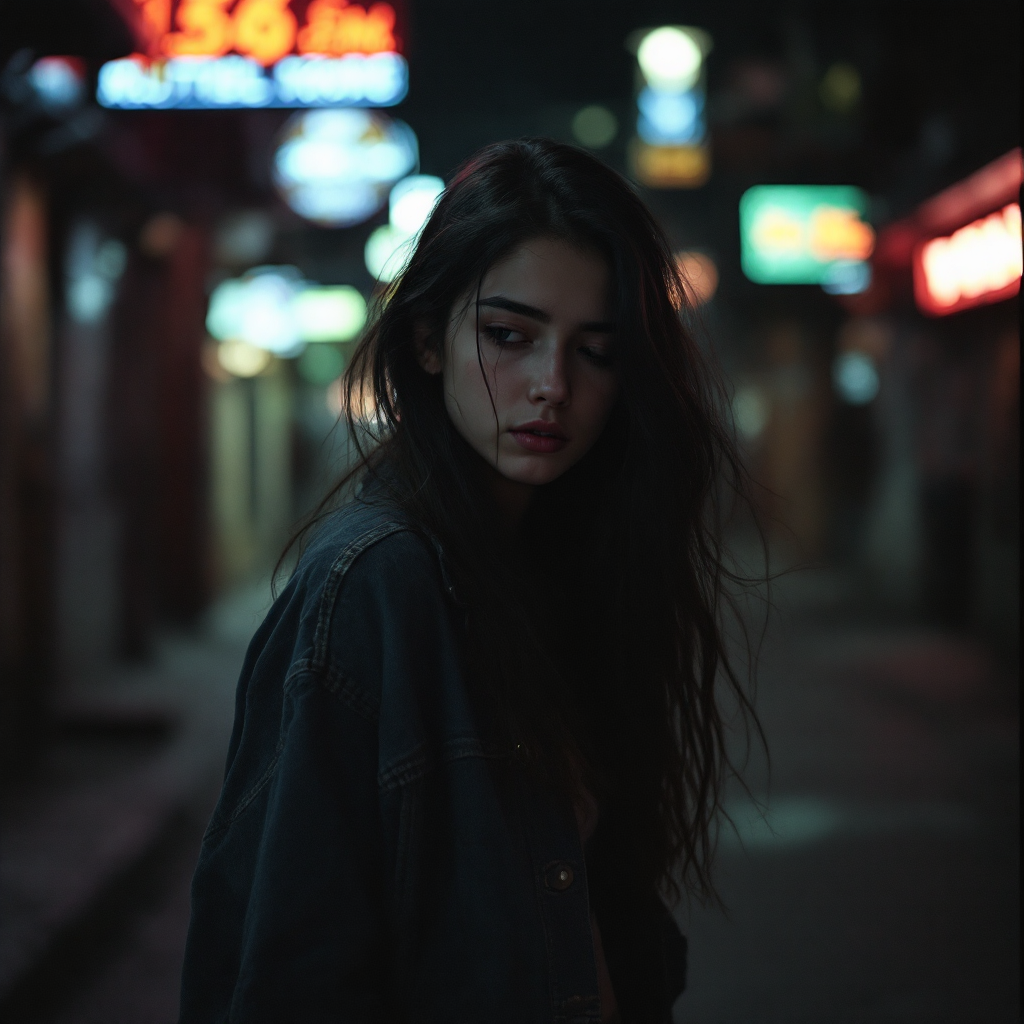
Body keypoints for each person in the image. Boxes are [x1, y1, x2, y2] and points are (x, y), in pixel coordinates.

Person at [180, 138, 757, 1024]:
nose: (551, 385)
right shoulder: (376, 584)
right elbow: (295, 973)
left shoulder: (562, 572)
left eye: (595, 351)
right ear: (428, 339)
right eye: (509, 336)